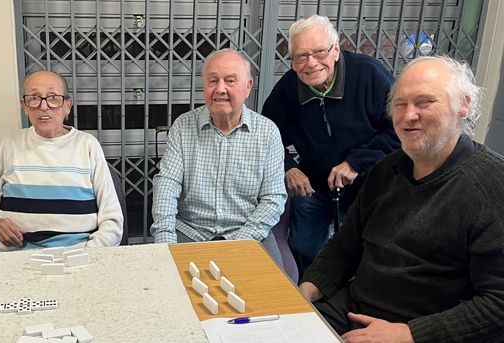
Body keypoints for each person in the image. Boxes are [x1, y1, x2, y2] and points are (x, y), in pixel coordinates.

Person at [299, 56, 504, 343]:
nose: (409, 115)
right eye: (400, 104)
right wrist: (302, 292)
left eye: (424, 102)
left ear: (463, 105)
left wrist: (408, 334)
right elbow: (345, 246)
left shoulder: (494, 186)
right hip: (352, 310)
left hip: (423, 331)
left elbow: (498, 305)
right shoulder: (386, 170)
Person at [262, 14, 400, 275]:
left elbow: (399, 132)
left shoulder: (369, 75)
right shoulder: (288, 90)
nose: (311, 63)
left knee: (369, 252)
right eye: (300, 56)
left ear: (336, 50)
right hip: (316, 186)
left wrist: (355, 163)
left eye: (319, 52)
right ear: (292, 61)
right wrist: (288, 167)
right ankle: (311, 301)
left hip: (372, 184)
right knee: (302, 248)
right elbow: (266, 137)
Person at [151, 49, 287, 266]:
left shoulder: (268, 132)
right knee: (174, 289)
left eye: (230, 81)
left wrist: (239, 243)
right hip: (191, 230)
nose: (220, 89)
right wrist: (166, 240)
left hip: (248, 231)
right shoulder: (183, 126)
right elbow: (167, 185)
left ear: (248, 87)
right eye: (212, 80)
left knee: (271, 292)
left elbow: (273, 198)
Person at [0, 70, 123, 251]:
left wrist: (87, 254)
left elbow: (112, 221)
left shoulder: (88, 146)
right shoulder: (8, 145)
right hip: (16, 259)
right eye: (34, 98)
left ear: (68, 105)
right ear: (24, 106)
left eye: (53, 97)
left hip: (80, 258)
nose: (44, 107)